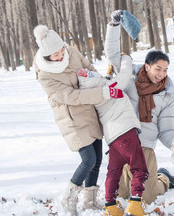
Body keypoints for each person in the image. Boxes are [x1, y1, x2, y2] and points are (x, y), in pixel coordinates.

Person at [32, 25, 124, 215]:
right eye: (55, 55)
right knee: (88, 160)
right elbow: (71, 96)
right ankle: (69, 198)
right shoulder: (45, 75)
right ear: (46, 56)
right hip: (72, 119)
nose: (60, 55)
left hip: (91, 111)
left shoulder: (71, 52)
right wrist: (102, 93)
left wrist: (98, 79)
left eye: (61, 50)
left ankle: (89, 201)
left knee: (97, 159)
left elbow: (89, 67)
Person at [108, 11, 174, 205]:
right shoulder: (128, 79)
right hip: (123, 145)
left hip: (146, 147)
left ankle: (163, 178)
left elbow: (166, 129)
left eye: (165, 70)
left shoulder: (167, 96)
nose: (162, 74)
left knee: (147, 198)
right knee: (121, 196)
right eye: (158, 69)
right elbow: (113, 55)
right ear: (147, 67)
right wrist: (113, 26)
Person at [76, 56, 148, 215]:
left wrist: (106, 77)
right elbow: (123, 75)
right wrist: (126, 59)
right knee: (139, 168)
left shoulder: (95, 93)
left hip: (112, 140)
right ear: (93, 79)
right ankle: (136, 202)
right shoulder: (110, 86)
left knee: (113, 172)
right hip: (126, 133)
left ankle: (111, 205)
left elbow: (104, 87)